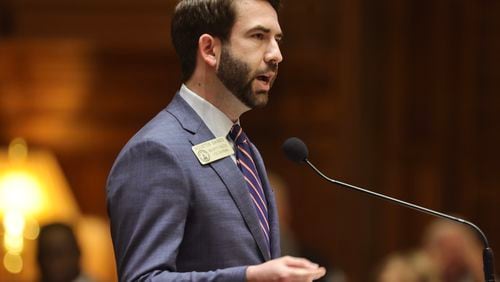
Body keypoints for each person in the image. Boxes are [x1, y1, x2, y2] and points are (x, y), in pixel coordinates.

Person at [106, 0, 326, 281]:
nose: (276, 55)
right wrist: (248, 278)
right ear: (210, 49)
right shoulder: (156, 151)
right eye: (259, 36)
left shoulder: (242, 146)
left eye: (277, 39)